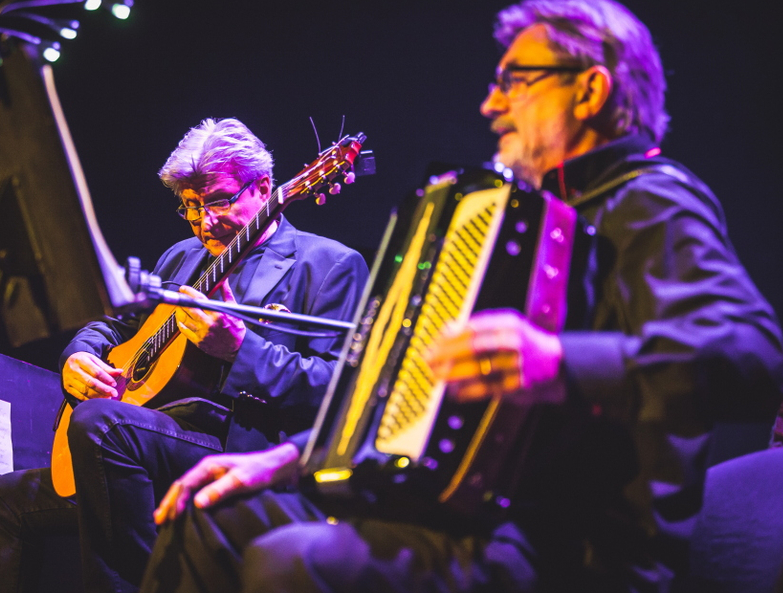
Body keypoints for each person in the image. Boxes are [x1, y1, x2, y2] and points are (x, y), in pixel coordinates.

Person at [139, 2, 783, 592]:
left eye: (515, 81)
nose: (490, 105)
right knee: (206, 518)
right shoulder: (531, 220)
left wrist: (559, 362)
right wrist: (289, 459)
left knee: (291, 564)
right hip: (457, 512)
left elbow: (754, 359)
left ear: (589, 89)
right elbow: (403, 400)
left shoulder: (649, 201)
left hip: (570, 545)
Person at [0, 118, 369, 592]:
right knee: (2, 500)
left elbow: (339, 391)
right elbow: (115, 326)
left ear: (263, 187)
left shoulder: (328, 265)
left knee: (102, 425)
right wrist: (78, 357)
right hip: (139, 442)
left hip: (238, 446)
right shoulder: (182, 258)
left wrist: (239, 349)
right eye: (190, 208)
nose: (205, 222)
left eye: (218, 200)